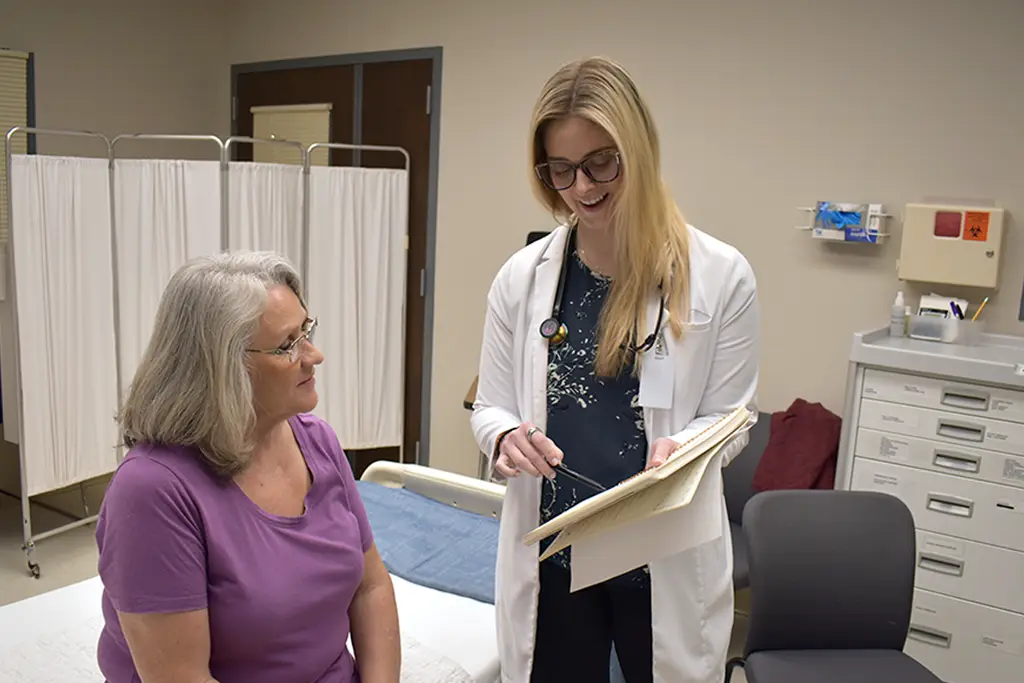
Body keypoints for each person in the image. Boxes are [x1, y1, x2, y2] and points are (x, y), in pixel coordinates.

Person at [470, 57, 760, 683]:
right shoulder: (522, 280)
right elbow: (491, 406)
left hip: (663, 555)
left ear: (640, 148)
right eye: (562, 170)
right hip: (556, 552)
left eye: (602, 161)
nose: (584, 187)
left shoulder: (720, 275)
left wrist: (682, 448)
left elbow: (733, 421)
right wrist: (504, 437)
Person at [94, 251, 400, 683]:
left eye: (306, 330)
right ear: (222, 368)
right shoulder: (153, 490)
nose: (314, 355)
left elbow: (371, 587)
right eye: (288, 344)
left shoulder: (317, 441)